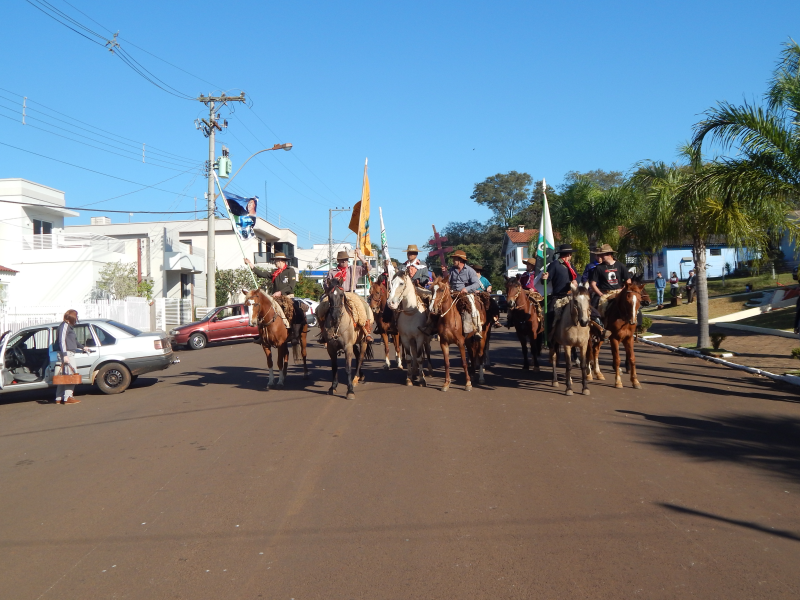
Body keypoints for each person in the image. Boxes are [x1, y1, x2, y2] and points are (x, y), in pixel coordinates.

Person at [317, 249, 375, 342]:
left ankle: (366, 331)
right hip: (335, 295)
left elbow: (369, 267)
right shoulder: (332, 271)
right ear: (338, 261)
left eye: (345, 259)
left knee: (364, 306)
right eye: (341, 260)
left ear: (348, 260)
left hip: (351, 293)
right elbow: (326, 284)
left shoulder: (353, 269)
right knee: (320, 309)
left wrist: (360, 256)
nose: (344, 261)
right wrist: (329, 287)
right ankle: (323, 332)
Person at [589, 244, 631, 338]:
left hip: (619, 292)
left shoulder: (620, 265)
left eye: (602, 254)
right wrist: (600, 293)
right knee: (597, 310)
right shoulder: (599, 268)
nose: (600, 256)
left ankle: (635, 324)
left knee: (632, 304)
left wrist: (623, 290)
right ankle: (601, 329)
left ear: (609, 254)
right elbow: (593, 284)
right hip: (605, 294)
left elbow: (628, 280)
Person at [542, 244, 578, 338]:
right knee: (550, 314)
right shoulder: (554, 264)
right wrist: (544, 278)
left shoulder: (570, 266)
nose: (571, 256)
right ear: (569, 254)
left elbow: (578, 277)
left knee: (585, 309)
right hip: (558, 296)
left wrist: (576, 281)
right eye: (570, 254)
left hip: (571, 296)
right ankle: (549, 336)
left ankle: (597, 329)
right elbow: (546, 281)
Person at [447, 249, 484, 338]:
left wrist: (466, 289)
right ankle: (433, 327)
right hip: (453, 293)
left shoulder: (470, 271)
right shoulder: (452, 270)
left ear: (460, 260)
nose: (453, 261)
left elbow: (477, 284)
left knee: (470, 309)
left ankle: (473, 330)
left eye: (455, 259)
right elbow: (447, 281)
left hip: (465, 295)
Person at [54, 309, 84, 405]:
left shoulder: (66, 326)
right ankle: (68, 397)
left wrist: (83, 347)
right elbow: (62, 341)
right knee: (71, 376)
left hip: (66, 353)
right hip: (67, 354)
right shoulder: (65, 326)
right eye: (76, 317)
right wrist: (65, 355)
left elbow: (73, 341)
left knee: (64, 376)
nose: (76, 319)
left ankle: (59, 398)